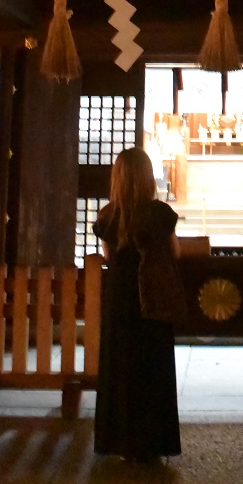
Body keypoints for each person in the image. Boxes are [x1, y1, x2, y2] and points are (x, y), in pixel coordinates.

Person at [92, 145, 182, 461]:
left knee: (120, 366)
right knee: (153, 367)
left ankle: (119, 440)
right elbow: (175, 251)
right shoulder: (160, 214)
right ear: (148, 178)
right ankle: (153, 441)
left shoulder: (108, 215)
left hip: (120, 299)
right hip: (152, 299)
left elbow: (108, 255)